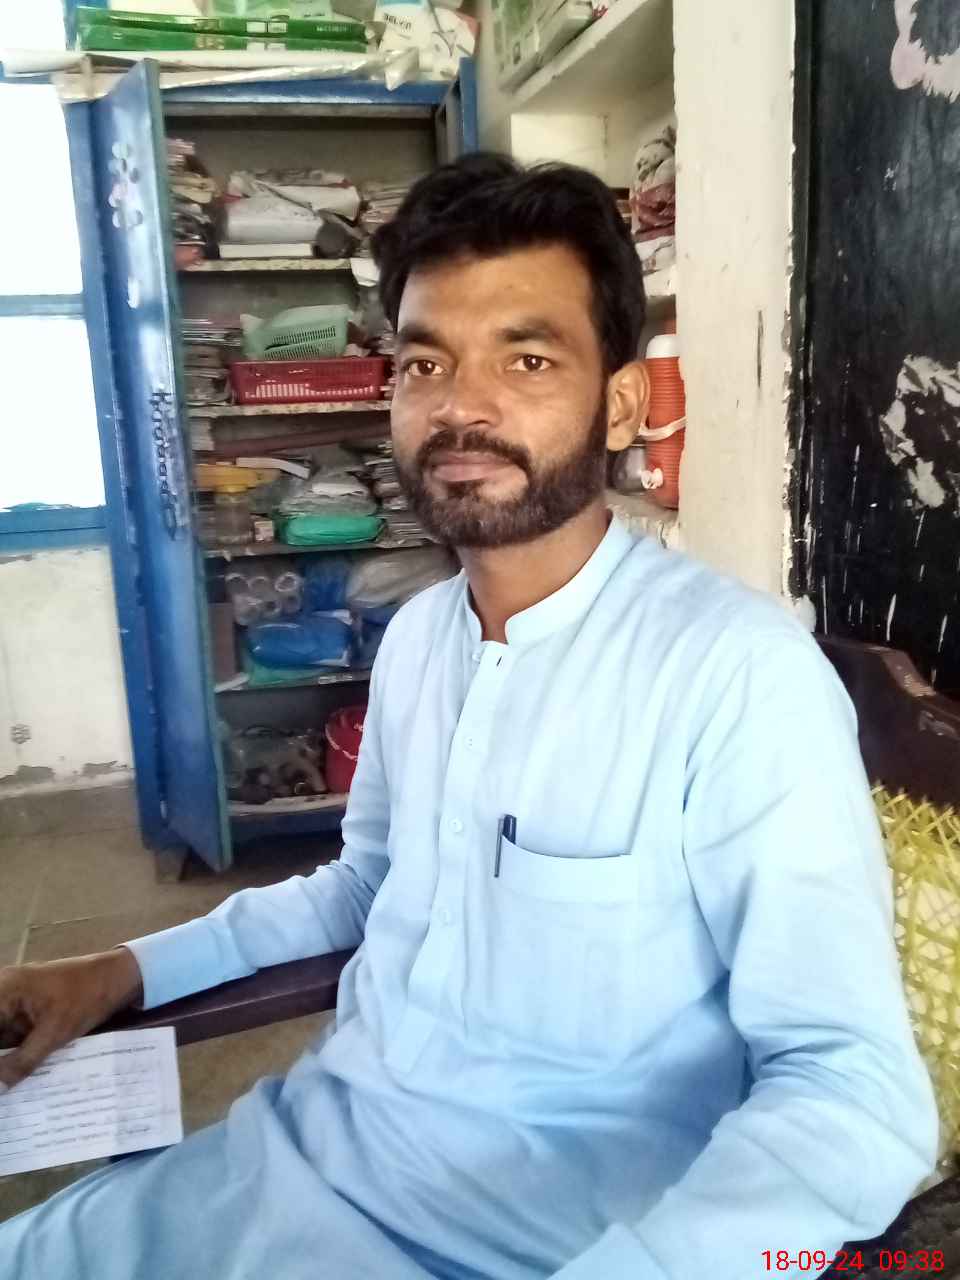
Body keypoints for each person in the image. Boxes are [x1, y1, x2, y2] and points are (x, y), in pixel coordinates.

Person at [0, 153, 938, 1280]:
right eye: (424, 362)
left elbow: (853, 1090)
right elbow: (365, 888)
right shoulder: (418, 640)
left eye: (527, 359)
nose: (460, 406)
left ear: (622, 403)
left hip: (541, 1246)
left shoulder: (735, 676)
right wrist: (119, 970)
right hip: (289, 1163)